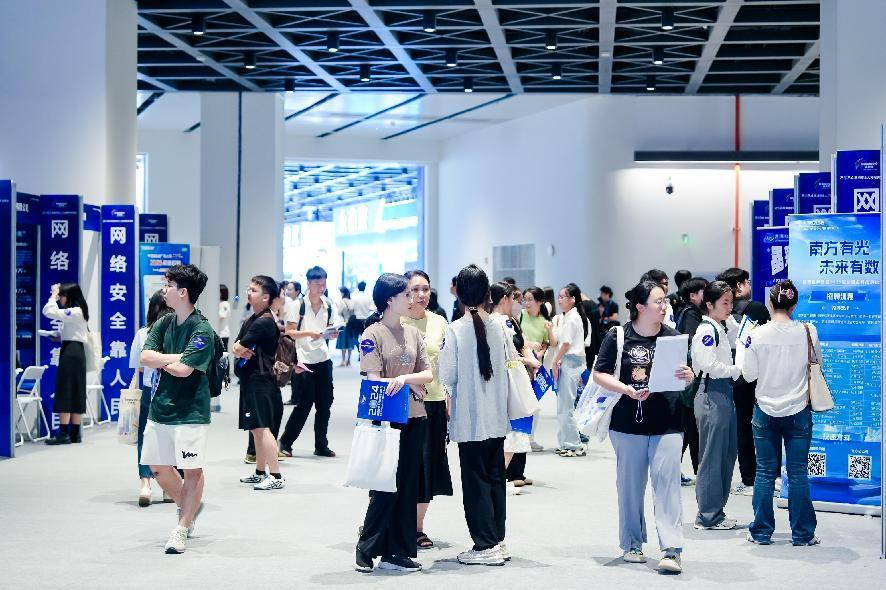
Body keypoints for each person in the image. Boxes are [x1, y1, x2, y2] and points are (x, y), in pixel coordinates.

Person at [592, 280, 694, 573]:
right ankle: (632, 543)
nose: (664, 306)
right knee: (630, 486)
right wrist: (625, 389)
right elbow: (599, 374)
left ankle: (672, 549)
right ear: (640, 307)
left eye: (665, 301)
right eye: (658, 301)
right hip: (627, 423)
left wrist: (689, 376)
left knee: (668, 486)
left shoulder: (673, 337)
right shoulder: (618, 336)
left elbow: (684, 376)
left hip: (668, 422)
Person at [355, 273, 433, 573]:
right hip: (387, 419)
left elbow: (428, 374)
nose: (412, 299)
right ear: (390, 300)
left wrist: (405, 379)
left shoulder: (413, 333)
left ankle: (397, 552)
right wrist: (406, 383)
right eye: (406, 295)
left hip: (416, 416)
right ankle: (366, 547)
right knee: (384, 484)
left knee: (408, 486)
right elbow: (373, 379)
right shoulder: (371, 334)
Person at [439, 265, 513, 567]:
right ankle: (497, 539)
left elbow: (447, 375)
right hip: (497, 416)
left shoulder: (455, 330)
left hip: (470, 420)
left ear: (458, 293)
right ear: (487, 293)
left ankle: (484, 546)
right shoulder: (501, 326)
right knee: (495, 478)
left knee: (475, 482)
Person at [140, 263, 213, 554]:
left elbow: (184, 371)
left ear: (182, 292)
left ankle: (182, 527)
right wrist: (178, 356)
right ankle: (190, 506)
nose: (164, 290)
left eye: (168, 285)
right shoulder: (164, 323)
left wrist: (166, 359)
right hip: (160, 407)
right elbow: (145, 357)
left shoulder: (202, 329)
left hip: (191, 411)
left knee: (191, 470)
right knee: (158, 468)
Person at [741, 279, 821, 547]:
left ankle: (761, 532)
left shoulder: (757, 334)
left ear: (770, 302)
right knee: (798, 473)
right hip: (799, 410)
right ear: (794, 305)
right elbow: (817, 364)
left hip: (765, 409)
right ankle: (803, 534)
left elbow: (748, 374)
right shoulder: (808, 331)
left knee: (765, 472)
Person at [400, 270, 453, 550]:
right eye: (415, 289)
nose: (422, 295)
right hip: (401, 403)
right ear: (405, 292)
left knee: (427, 465)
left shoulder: (439, 322)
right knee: (400, 464)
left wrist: (448, 394)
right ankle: (389, 519)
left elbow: (446, 363)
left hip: (433, 402)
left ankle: (417, 527)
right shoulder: (396, 321)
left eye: (426, 289)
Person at [691, 281, 742, 531]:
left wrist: (730, 320)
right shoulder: (706, 330)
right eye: (725, 303)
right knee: (713, 456)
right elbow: (707, 364)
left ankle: (716, 512)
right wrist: (735, 370)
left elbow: (739, 337)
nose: (730, 307)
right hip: (712, 391)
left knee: (726, 453)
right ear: (709, 304)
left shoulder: (719, 326)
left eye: (731, 302)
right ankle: (708, 515)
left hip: (722, 391)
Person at [717, 267, 771, 496]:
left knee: (742, 427)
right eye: (746, 281)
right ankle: (767, 475)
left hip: (733, 376)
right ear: (739, 286)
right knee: (763, 426)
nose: (749, 285)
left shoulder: (722, 313)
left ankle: (748, 477)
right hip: (757, 376)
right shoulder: (755, 308)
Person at [279, 266, 342, 458]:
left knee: (325, 405)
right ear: (309, 283)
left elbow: (331, 328)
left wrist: (332, 333)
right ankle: (285, 442)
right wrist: (309, 333)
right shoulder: (297, 305)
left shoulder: (328, 305)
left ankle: (321, 445)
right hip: (303, 359)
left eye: (324, 284)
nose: (321, 287)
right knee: (304, 404)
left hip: (323, 358)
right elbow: (289, 332)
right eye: (318, 284)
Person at [234, 276, 285, 490]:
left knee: (263, 429)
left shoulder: (264, 321)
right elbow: (236, 346)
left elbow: (239, 347)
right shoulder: (252, 319)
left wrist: (239, 348)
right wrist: (239, 348)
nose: (249, 292)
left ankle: (276, 475)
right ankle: (259, 472)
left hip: (261, 381)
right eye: (249, 288)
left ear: (266, 297)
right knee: (256, 428)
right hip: (252, 380)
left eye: (254, 290)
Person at [490, 282, 540, 493]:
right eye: (514, 299)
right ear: (504, 299)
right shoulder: (496, 323)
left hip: (515, 380)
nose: (517, 303)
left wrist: (528, 359)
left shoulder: (508, 321)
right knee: (511, 432)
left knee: (515, 431)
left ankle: (500, 479)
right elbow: (506, 356)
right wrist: (528, 361)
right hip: (507, 383)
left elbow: (520, 347)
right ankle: (497, 481)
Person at [129, 290, 173, 505]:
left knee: (146, 437)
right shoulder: (178, 331)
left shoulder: (143, 333)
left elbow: (138, 367)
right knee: (171, 437)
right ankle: (168, 487)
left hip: (150, 390)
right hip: (174, 390)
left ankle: (145, 485)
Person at [43, 283, 89, 445]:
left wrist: (53, 296)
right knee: (76, 390)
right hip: (77, 351)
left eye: (62, 295)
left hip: (70, 352)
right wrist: (59, 336)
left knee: (65, 390)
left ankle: (64, 433)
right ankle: (75, 434)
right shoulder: (80, 311)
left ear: (69, 296)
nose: (60, 299)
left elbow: (48, 311)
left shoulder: (75, 311)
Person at [675, 276, 709, 482]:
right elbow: (693, 344)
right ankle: (699, 472)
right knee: (692, 429)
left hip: (687, 379)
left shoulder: (690, 312)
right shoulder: (691, 314)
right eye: (705, 290)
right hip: (690, 379)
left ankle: (673, 470)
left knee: (687, 431)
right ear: (693, 295)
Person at [549, 283, 589, 458]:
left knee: (566, 407)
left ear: (572, 299)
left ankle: (574, 445)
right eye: (558, 297)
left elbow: (566, 344)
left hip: (570, 363)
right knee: (563, 406)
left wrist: (555, 361)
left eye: (562, 297)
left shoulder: (572, 318)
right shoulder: (569, 316)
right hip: (569, 362)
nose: (559, 300)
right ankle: (566, 442)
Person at [520, 287, 553, 452]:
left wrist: (540, 352)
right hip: (520, 364)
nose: (526, 303)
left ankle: (530, 438)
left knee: (534, 404)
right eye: (525, 299)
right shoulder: (520, 316)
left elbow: (547, 343)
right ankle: (519, 438)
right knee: (519, 402)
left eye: (530, 299)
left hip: (536, 368)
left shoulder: (544, 321)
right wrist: (529, 344)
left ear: (540, 302)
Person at [336, 287, 356, 367]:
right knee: (350, 342)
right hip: (351, 325)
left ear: (343, 293)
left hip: (343, 324)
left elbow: (339, 312)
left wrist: (337, 307)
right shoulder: (352, 301)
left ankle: (343, 361)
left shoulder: (342, 301)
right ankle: (349, 361)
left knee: (343, 343)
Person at [218, 284, 231, 350]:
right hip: (220, 333)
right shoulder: (221, 303)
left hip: (223, 334)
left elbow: (222, 316)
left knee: (223, 353)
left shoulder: (224, 304)